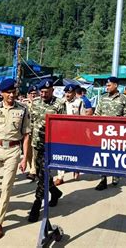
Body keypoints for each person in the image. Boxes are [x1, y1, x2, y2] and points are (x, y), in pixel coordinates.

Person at [0, 78, 30, 239]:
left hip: (13, 150)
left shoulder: (23, 109)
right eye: (8, 92)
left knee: (7, 188)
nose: (11, 94)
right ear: (1, 93)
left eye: (13, 91)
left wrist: (24, 158)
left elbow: (27, 135)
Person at [28, 79, 64, 223]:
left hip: (50, 146)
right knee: (41, 174)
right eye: (41, 92)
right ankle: (55, 192)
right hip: (36, 145)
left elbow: (62, 126)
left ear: (52, 91)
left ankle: (36, 205)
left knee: (42, 176)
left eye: (46, 92)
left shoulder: (59, 104)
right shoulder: (35, 103)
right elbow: (31, 123)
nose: (43, 94)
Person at [94, 76, 126, 191]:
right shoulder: (103, 98)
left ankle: (115, 175)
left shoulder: (124, 99)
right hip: (103, 133)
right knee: (102, 156)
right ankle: (102, 180)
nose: (107, 87)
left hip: (117, 134)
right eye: (106, 85)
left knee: (115, 155)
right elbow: (96, 114)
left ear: (116, 85)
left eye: (109, 85)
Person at [55, 84, 85, 186]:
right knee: (61, 153)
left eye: (70, 92)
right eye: (66, 92)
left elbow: (83, 117)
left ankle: (75, 169)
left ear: (73, 93)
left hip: (75, 132)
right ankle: (60, 177)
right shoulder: (60, 102)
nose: (67, 94)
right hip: (62, 131)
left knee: (75, 153)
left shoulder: (79, 102)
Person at [22, 85, 39, 181]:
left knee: (35, 151)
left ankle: (33, 171)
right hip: (26, 130)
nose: (33, 95)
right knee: (27, 151)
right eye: (31, 94)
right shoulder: (23, 103)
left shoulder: (39, 103)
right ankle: (31, 168)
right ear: (28, 94)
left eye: (34, 93)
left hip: (36, 130)